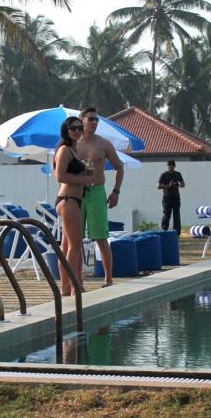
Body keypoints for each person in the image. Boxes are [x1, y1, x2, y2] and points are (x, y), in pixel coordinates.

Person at [77, 107, 124, 288]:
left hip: (96, 191)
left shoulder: (103, 144)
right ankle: (77, 281)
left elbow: (119, 167)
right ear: (81, 121)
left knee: (101, 237)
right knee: (75, 239)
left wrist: (116, 191)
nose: (94, 122)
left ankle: (108, 279)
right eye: (91, 119)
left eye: (96, 119)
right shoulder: (72, 144)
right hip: (76, 192)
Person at [53, 116, 98, 296]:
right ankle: (75, 287)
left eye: (80, 128)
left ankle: (66, 288)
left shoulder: (74, 150)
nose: (77, 131)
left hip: (74, 199)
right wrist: (84, 179)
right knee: (75, 246)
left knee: (67, 247)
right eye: (73, 128)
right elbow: (60, 176)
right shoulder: (64, 150)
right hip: (68, 199)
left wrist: (85, 176)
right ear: (66, 130)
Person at [157, 160, 185, 236]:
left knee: (176, 216)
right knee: (166, 215)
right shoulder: (164, 175)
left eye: (172, 166)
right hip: (167, 198)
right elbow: (158, 186)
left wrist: (178, 184)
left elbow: (183, 184)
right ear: (167, 166)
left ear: (174, 166)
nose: (170, 167)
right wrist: (168, 186)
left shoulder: (178, 174)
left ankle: (176, 234)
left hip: (176, 198)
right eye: (169, 166)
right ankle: (164, 232)